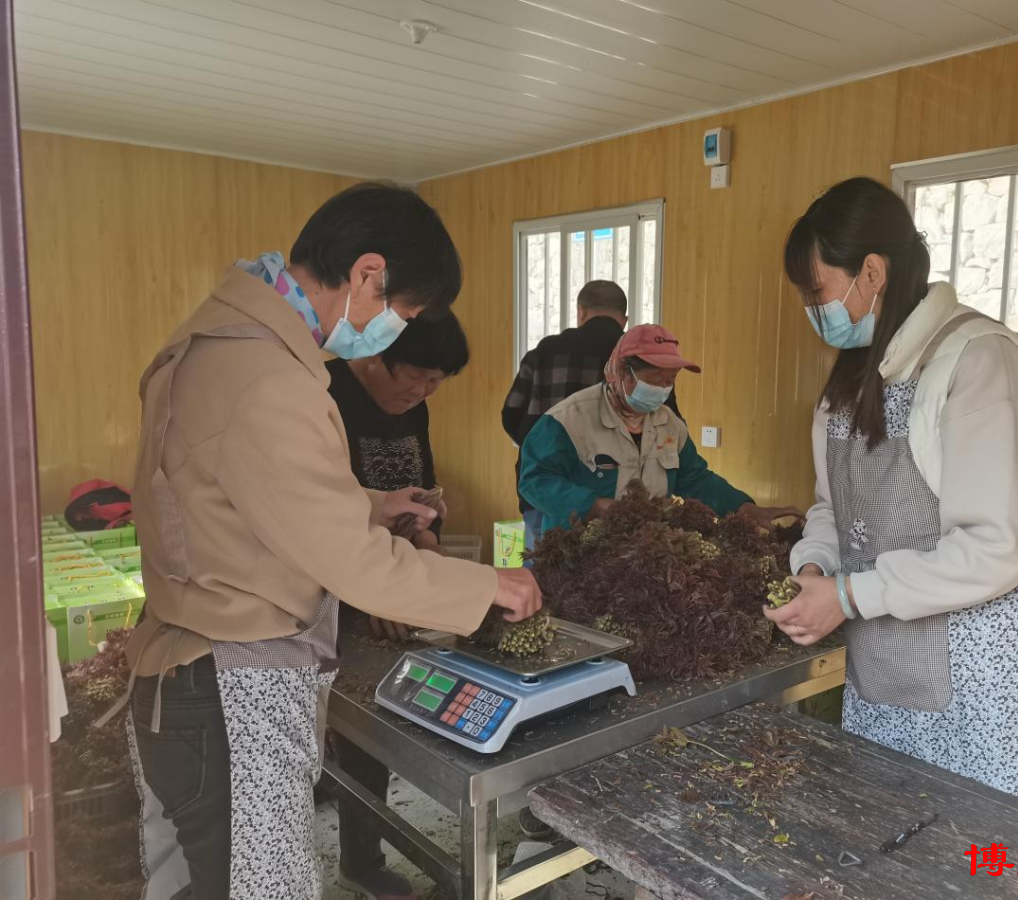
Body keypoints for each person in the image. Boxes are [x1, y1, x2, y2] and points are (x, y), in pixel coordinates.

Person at [109, 182, 542, 900]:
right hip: (230, 692)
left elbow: (243, 494)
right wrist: (488, 584)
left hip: (178, 676)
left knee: (194, 883)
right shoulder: (269, 378)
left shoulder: (213, 340)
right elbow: (355, 567)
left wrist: (372, 502)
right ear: (368, 275)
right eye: (402, 313)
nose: (397, 331)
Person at [769, 177, 1018, 823]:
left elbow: (996, 547)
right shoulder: (853, 378)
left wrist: (849, 596)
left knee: (995, 853)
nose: (812, 309)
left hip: (992, 668)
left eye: (816, 291)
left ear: (870, 273)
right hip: (889, 657)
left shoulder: (981, 362)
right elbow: (831, 506)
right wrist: (815, 569)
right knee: (893, 833)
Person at [325, 311, 469, 899]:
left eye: (437, 381)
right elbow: (322, 516)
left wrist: (428, 544)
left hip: (394, 585)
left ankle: (361, 853)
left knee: (378, 717)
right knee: (348, 719)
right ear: (378, 355)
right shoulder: (327, 393)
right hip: (332, 587)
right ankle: (358, 861)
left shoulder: (416, 406)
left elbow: (421, 494)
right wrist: (376, 584)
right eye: (415, 374)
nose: (422, 391)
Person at [519, 323, 801, 533]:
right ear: (620, 371)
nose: (663, 389)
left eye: (671, 380)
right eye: (654, 379)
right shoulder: (568, 420)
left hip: (645, 555)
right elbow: (535, 481)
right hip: (578, 554)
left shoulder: (669, 425)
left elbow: (696, 479)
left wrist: (744, 508)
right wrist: (592, 505)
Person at [502, 280, 680, 550]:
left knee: (541, 571)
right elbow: (665, 427)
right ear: (625, 318)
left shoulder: (545, 351)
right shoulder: (642, 361)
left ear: (581, 311)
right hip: (615, 500)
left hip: (546, 494)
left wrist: (540, 448)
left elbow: (511, 414)